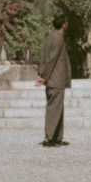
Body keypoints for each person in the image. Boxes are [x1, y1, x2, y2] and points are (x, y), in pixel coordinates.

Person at [36, 14, 72, 147]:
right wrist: (44, 77)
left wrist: (41, 74)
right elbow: (51, 59)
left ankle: (58, 137)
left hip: (53, 79)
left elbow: (43, 57)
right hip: (55, 78)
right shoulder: (58, 39)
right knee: (54, 108)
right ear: (64, 24)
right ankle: (50, 137)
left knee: (57, 107)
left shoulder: (49, 37)